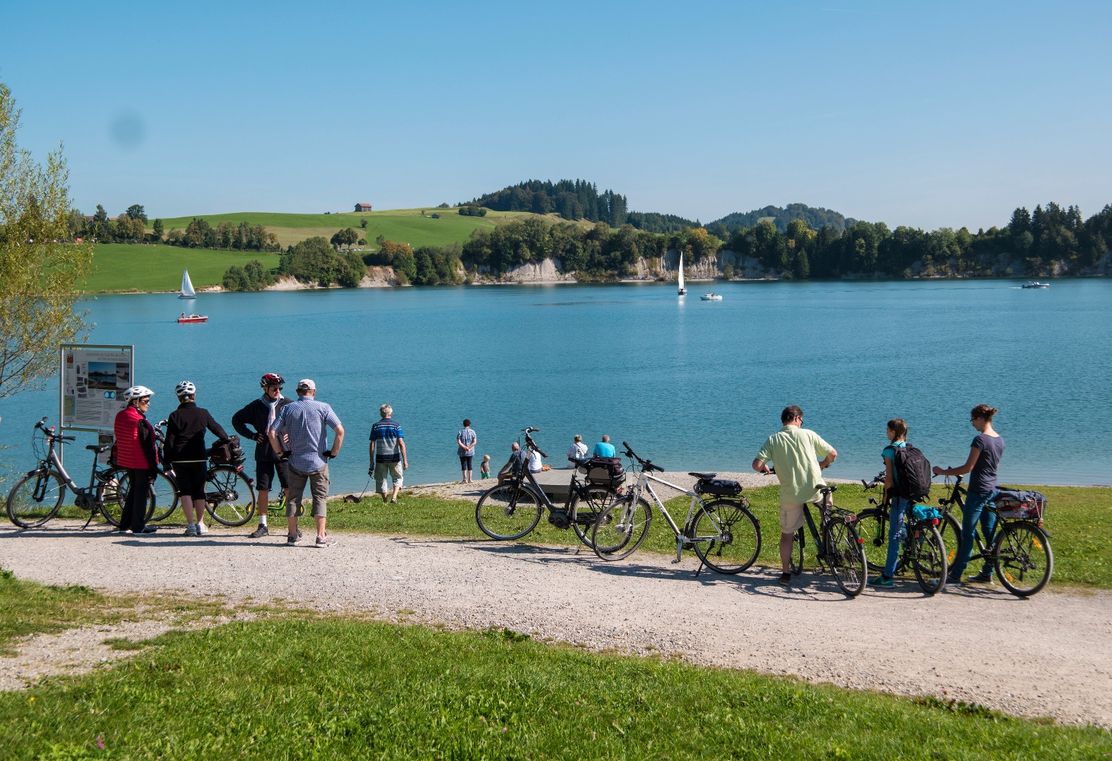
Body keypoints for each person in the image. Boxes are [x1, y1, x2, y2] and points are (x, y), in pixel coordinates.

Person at [752, 405, 837, 587]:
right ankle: (828, 530)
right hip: (815, 487)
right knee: (827, 503)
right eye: (802, 420)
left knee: (787, 534)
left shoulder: (773, 439)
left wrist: (765, 468)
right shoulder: (808, 434)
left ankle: (785, 573)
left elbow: (757, 464)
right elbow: (833, 453)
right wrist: (822, 464)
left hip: (792, 493)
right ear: (797, 418)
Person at [933, 404, 1005, 585]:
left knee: (968, 534)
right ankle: (987, 573)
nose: (972, 424)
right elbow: (986, 465)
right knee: (989, 533)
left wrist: (942, 472)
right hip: (992, 489)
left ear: (980, 419)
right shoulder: (999, 440)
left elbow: (968, 467)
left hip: (978, 490)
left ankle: (955, 575)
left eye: (973, 420)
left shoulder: (980, 440)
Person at [268, 379, 344, 548]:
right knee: (320, 499)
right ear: (313, 392)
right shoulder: (323, 408)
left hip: (295, 461)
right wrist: (333, 452)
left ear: (297, 392)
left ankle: (293, 535)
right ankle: (320, 536)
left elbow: (272, 432)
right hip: (318, 462)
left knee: (293, 499)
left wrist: (280, 452)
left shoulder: (288, 409)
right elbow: (340, 431)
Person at [164, 380, 230, 537]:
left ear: (179, 397)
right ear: (194, 395)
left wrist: (166, 462)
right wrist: (222, 442)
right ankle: (200, 523)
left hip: (180, 459)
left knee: (185, 492)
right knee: (199, 491)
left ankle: (190, 525)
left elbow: (169, 441)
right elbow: (221, 433)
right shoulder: (203, 413)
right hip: (199, 457)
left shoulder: (174, 415)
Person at [233, 373, 292, 538]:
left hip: (284, 452)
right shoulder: (256, 406)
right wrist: (252, 435)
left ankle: (292, 526)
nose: (277, 391)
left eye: (280, 388)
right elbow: (237, 420)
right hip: (264, 452)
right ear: (265, 388)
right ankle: (263, 524)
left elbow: (300, 420)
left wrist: (291, 434)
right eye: (274, 388)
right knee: (263, 489)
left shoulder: (288, 404)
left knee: (288, 488)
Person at [868, 418, 911, 589]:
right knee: (907, 526)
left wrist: (886, 498)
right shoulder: (909, 447)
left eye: (888, 430)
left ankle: (887, 576)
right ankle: (913, 547)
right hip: (912, 493)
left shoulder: (889, 451)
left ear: (893, 432)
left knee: (894, 535)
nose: (886, 433)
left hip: (899, 495)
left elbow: (889, 479)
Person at [113, 385, 159, 535]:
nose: (148, 403)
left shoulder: (120, 415)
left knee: (133, 491)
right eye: (145, 401)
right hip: (141, 462)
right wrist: (154, 466)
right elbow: (149, 447)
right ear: (135, 402)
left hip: (127, 460)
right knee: (141, 495)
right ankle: (138, 526)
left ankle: (124, 524)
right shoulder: (140, 421)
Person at [369, 404, 408, 504]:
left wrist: (371, 461)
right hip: (394, 457)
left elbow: (372, 444)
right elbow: (401, 443)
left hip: (380, 458)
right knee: (398, 477)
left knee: (381, 479)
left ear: (381, 413)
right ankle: (394, 497)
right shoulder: (396, 426)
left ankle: (385, 501)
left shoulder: (376, 426)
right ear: (391, 413)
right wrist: (405, 460)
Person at [456, 419, 477, 483]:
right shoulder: (473, 432)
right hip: (470, 451)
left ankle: (464, 479)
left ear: (463, 424)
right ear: (469, 424)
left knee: (463, 465)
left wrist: (464, 447)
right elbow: (475, 441)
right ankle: (470, 479)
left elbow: (458, 441)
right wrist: (469, 447)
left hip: (462, 451)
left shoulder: (460, 432)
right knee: (469, 464)